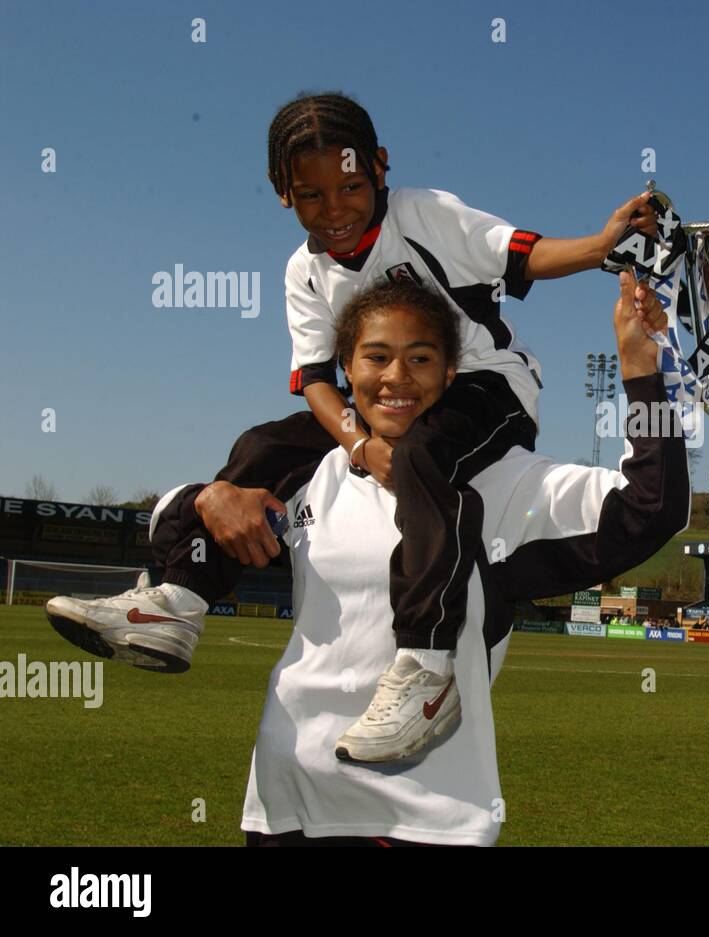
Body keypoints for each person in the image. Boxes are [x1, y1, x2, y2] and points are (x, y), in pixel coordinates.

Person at [44, 92, 658, 763]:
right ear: (283, 194)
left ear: (381, 167)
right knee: (263, 446)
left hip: (482, 386)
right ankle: (179, 599)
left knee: (424, 455)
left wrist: (601, 246)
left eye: (350, 186)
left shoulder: (425, 214)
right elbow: (314, 380)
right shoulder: (302, 272)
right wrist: (360, 445)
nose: (333, 210)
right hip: (375, 405)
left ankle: (427, 666)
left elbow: (524, 255)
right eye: (310, 195)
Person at [172, 271, 683, 841]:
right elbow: (178, 536)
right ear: (346, 370)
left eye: (419, 358)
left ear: (451, 375)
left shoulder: (502, 484)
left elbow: (647, 509)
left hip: (424, 818)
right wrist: (209, 496)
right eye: (376, 357)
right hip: (287, 799)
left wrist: (641, 373)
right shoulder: (311, 470)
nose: (396, 377)